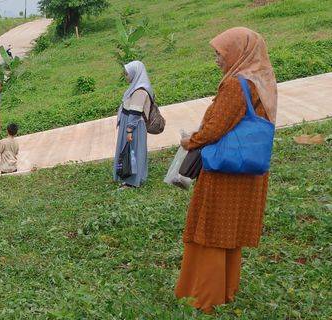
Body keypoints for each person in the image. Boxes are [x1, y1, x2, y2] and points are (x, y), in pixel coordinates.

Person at [175, 27, 278, 313]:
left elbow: (215, 129)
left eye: (220, 53)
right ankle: (226, 290)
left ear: (237, 52)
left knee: (210, 230)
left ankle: (204, 297)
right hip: (247, 170)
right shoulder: (262, 79)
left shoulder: (235, 84)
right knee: (230, 232)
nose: (217, 59)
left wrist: (189, 141)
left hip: (225, 172)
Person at [114, 60, 153, 188]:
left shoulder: (140, 91)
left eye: (127, 74)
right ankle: (129, 178)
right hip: (129, 122)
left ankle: (132, 181)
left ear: (135, 74)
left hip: (133, 124)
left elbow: (136, 112)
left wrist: (129, 129)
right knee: (130, 151)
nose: (126, 77)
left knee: (133, 152)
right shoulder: (136, 87)